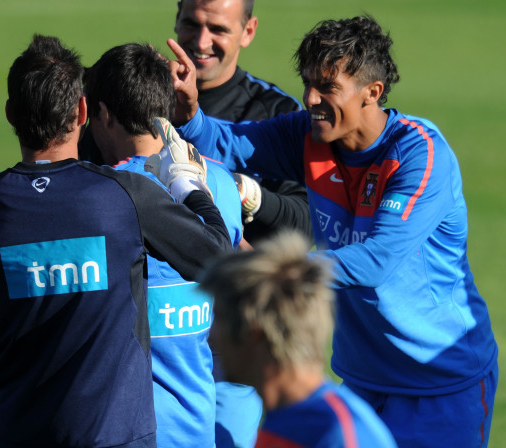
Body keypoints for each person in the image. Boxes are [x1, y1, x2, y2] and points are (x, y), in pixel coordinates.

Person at [170, 15, 499, 448]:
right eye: (307, 82)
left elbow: (377, 260)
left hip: (439, 385)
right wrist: (191, 113)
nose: (310, 98)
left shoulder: (419, 153)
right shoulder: (310, 136)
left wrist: (274, 271)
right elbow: (230, 142)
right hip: (363, 380)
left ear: (372, 93)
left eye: (327, 87)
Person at [0, 34, 232, 448]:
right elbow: (221, 262)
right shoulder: (126, 197)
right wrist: (188, 187)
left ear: (11, 114)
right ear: (82, 111)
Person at [83, 42, 243, 448]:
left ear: (102, 113)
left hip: (118, 432)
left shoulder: (95, 195)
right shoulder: (220, 183)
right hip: (196, 429)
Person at [200, 231, 397, 448]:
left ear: (253, 331)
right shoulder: (282, 420)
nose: (212, 338)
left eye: (218, 320)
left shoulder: (341, 435)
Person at [174, 0, 310, 244]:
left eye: (218, 29)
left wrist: (245, 192)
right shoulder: (142, 95)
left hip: (233, 280)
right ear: (177, 18)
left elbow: (306, 225)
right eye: (192, 24)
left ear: (248, 31)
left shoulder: (278, 111)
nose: (201, 42)